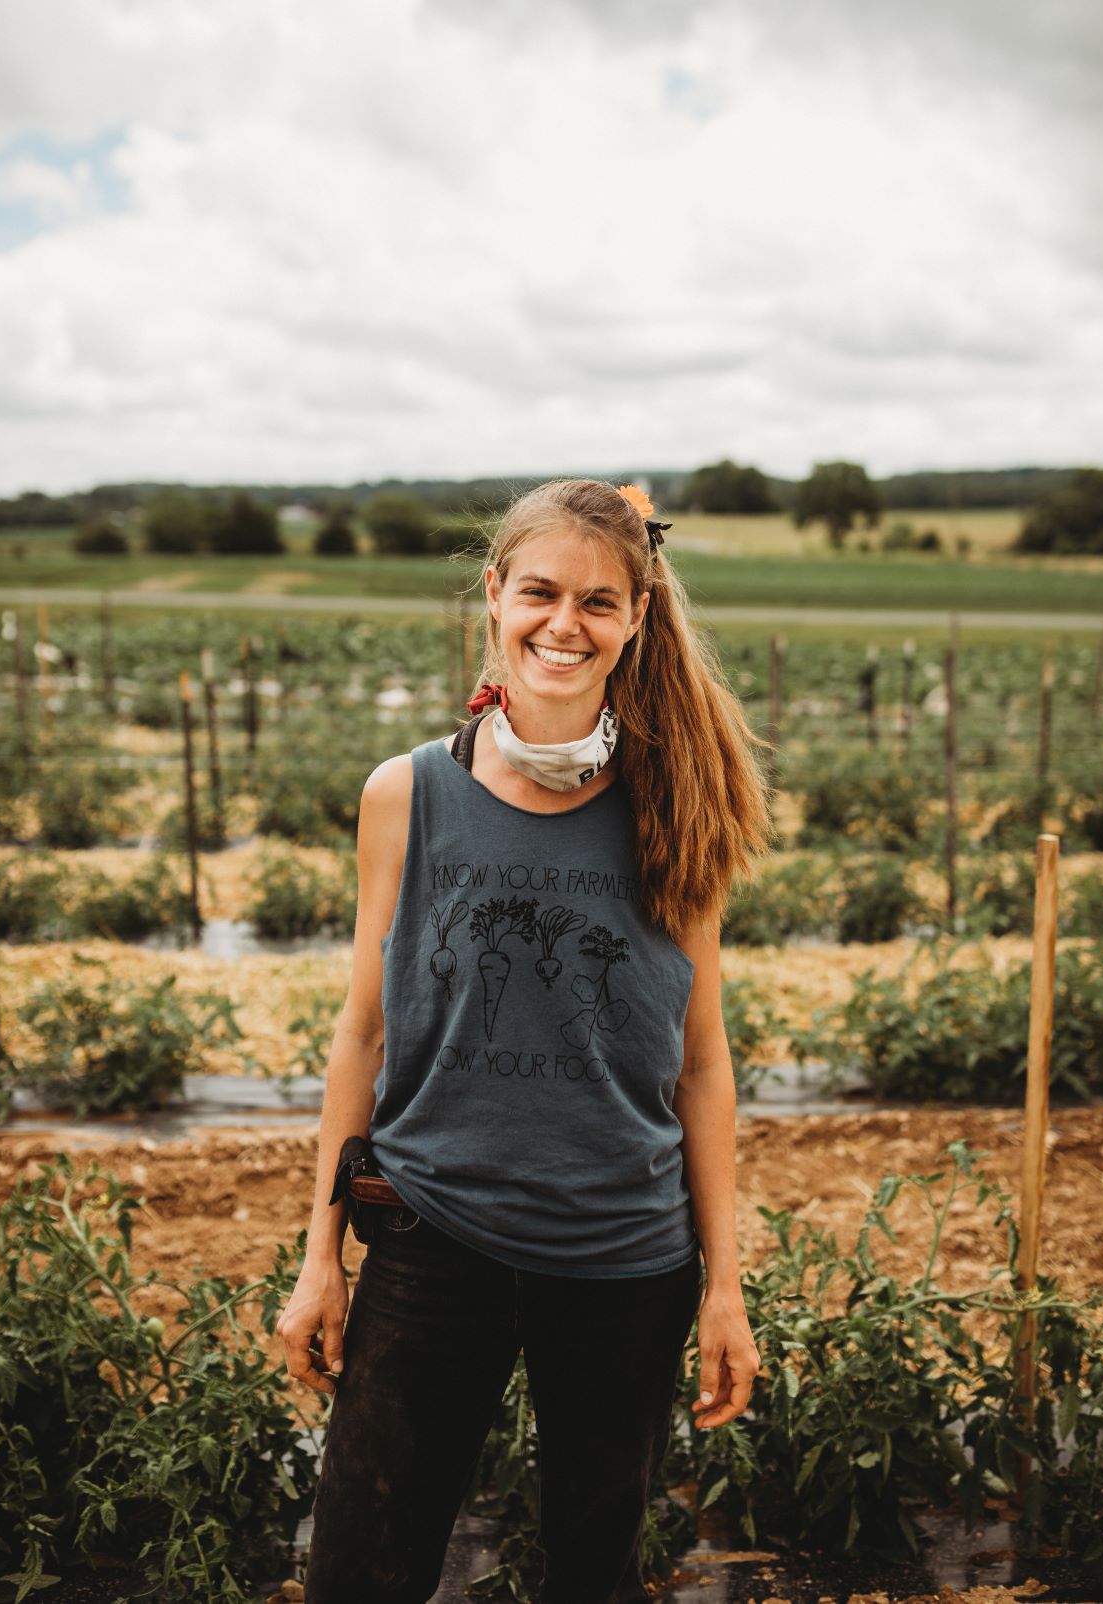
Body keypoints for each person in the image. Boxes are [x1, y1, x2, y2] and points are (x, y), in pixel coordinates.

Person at [276, 477, 774, 1604]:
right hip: (427, 1237)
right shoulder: (406, 795)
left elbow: (700, 1061)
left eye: (599, 602)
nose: (565, 623)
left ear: (637, 617)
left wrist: (724, 1286)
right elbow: (362, 1030)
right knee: (361, 1567)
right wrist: (320, 1256)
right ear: (494, 594)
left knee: (591, 1572)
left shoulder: (675, 799)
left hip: (621, 1258)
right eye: (539, 591)